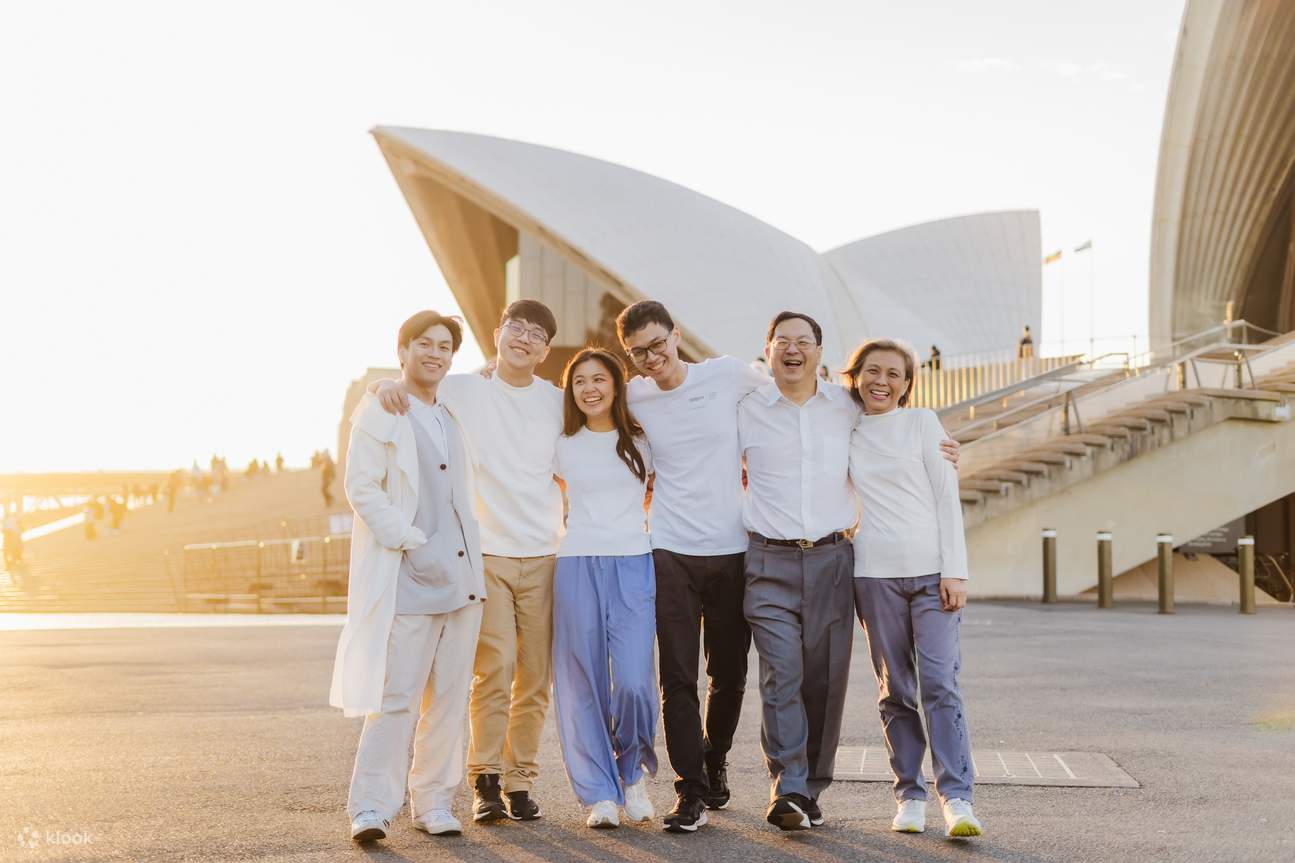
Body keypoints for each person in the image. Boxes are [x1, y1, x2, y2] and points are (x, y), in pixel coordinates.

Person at [372, 299, 564, 824]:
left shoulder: (557, 401)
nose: (524, 339)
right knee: (493, 670)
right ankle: (486, 779)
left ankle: (521, 780)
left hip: (547, 553)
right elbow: (414, 383)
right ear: (498, 332)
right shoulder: (465, 389)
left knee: (535, 675)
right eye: (516, 328)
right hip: (488, 555)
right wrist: (384, 384)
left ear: (546, 350)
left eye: (536, 334)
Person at [614, 300, 770, 832]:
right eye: (639, 352)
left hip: (732, 549)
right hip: (670, 551)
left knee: (728, 673)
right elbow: (571, 405)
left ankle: (715, 757)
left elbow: (794, 397)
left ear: (676, 335)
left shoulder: (725, 375)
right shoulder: (634, 395)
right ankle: (691, 791)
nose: (652, 358)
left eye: (659, 344)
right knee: (676, 677)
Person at [333, 310, 487, 843]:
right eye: (424, 344)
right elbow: (361, 487)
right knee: (395, 697)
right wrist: (408, 537)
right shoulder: (380, 409)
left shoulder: (453, 410)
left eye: (445, 346)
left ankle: (434, 802)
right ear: (402, 350)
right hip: (411, 573)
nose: (435, 353)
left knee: (449, 699)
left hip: (465, 578)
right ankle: (371, 807)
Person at [842, 338, 983, 839]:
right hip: (872, 575)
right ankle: (909, 795)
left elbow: (948, 498)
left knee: (940, 684)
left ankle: (958, 798)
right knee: (895, 690)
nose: (881, 381)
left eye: (893, 375)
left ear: (906, 384)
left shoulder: (923, 424)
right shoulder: (844, 426)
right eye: (872, 372)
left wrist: (955, 571)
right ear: (855, 376)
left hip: (931, 575)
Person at [738, 312, 858, 831]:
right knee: (781, 673)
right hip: (768, 560)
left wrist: (943, 450)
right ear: (767, 350)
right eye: (782, 341)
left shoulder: (846, 407)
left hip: (833, 559)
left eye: (802, 342)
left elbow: (893, 443)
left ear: (818, 351)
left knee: (825, 680)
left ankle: (812, 788)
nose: (793, 350)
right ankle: (787, 785)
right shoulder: (744, 409)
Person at [550, 348, 658, 829]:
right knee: (581, 681)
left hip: (635, 560)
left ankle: (632, 774)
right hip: (575, 561)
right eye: (579, 382)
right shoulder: (560, 443)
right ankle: (599, 794)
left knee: (634, 680)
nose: (589, 388)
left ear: (616, 385)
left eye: (599, 379)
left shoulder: (642, 439)